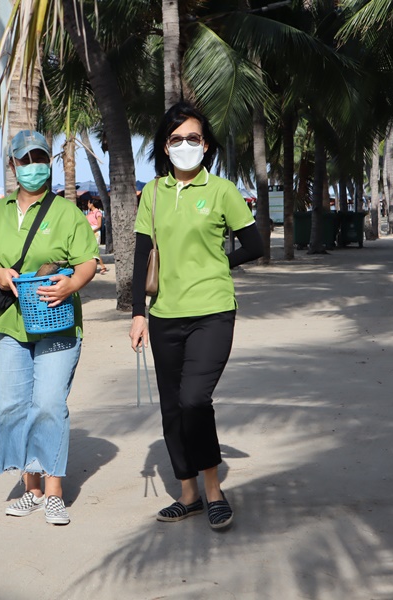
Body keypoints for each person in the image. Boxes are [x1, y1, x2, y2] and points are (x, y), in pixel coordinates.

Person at [129, 102, 263, 530]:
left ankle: (214, 490)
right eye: (176, 139)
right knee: (172, 407)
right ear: (164, 147)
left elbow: (255, 244)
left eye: (193, 138)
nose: (185, 145)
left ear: (205, 146)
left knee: (194, 400)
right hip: (164, 315)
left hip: (213, 311)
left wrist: (220, 264)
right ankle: (187, 495)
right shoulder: (152, 193)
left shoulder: (222, 190)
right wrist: (138, 314)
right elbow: (141, 257)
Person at [0, 130, 99, 526]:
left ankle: (54, 492)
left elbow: (88, 261)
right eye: (24, 160)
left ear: (49, 162)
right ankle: (32, 488)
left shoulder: (66, 212)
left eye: (39, 158)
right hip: (11, 325)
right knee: (13, 405)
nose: (32, 166)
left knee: (48, 403)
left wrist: (72, 284)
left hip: (57, 322)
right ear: (12, 164)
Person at [86, 198, 109, 274]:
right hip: (89, 232)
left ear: (92, 204)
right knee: (90, 250)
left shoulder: (97, 213)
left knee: (94, 250)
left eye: (88, 203)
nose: (87, 205)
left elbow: (99, 225)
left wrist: (92, 231)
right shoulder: (89, 213)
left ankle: (102, 266)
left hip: (95, 232)